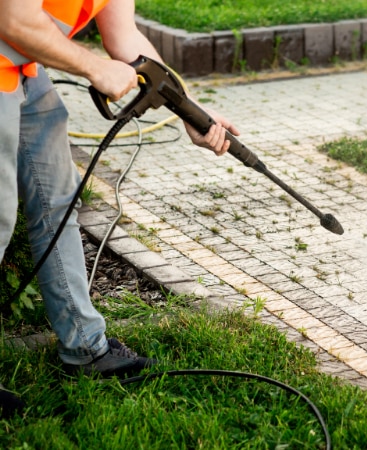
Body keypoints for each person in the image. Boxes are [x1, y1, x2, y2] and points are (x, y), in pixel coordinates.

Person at [0, 0, 240, 416]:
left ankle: (85, 347)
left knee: (58, 202)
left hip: (22, 69)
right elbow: (13, 18)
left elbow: (125, 38)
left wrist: (191, 112)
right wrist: (94, 67)